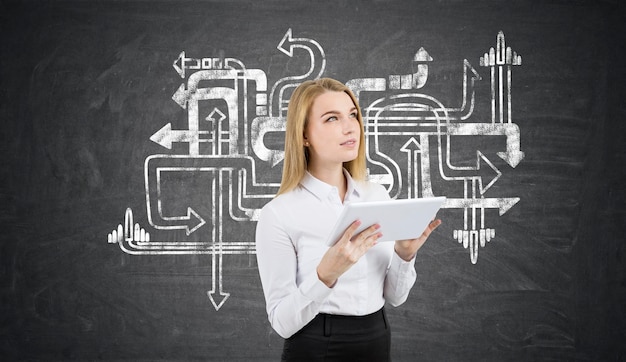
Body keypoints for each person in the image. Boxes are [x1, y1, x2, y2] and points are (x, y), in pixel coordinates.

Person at [255, 78, 442, 361]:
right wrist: (325, 276)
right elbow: (281, 323)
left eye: (352, 115)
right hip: (317, 345)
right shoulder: (279, 214)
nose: (349, 127)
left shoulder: (376, 195)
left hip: (376, 337)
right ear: (304, 135)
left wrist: (405, 255)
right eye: (331, 118)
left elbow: (395, 297)